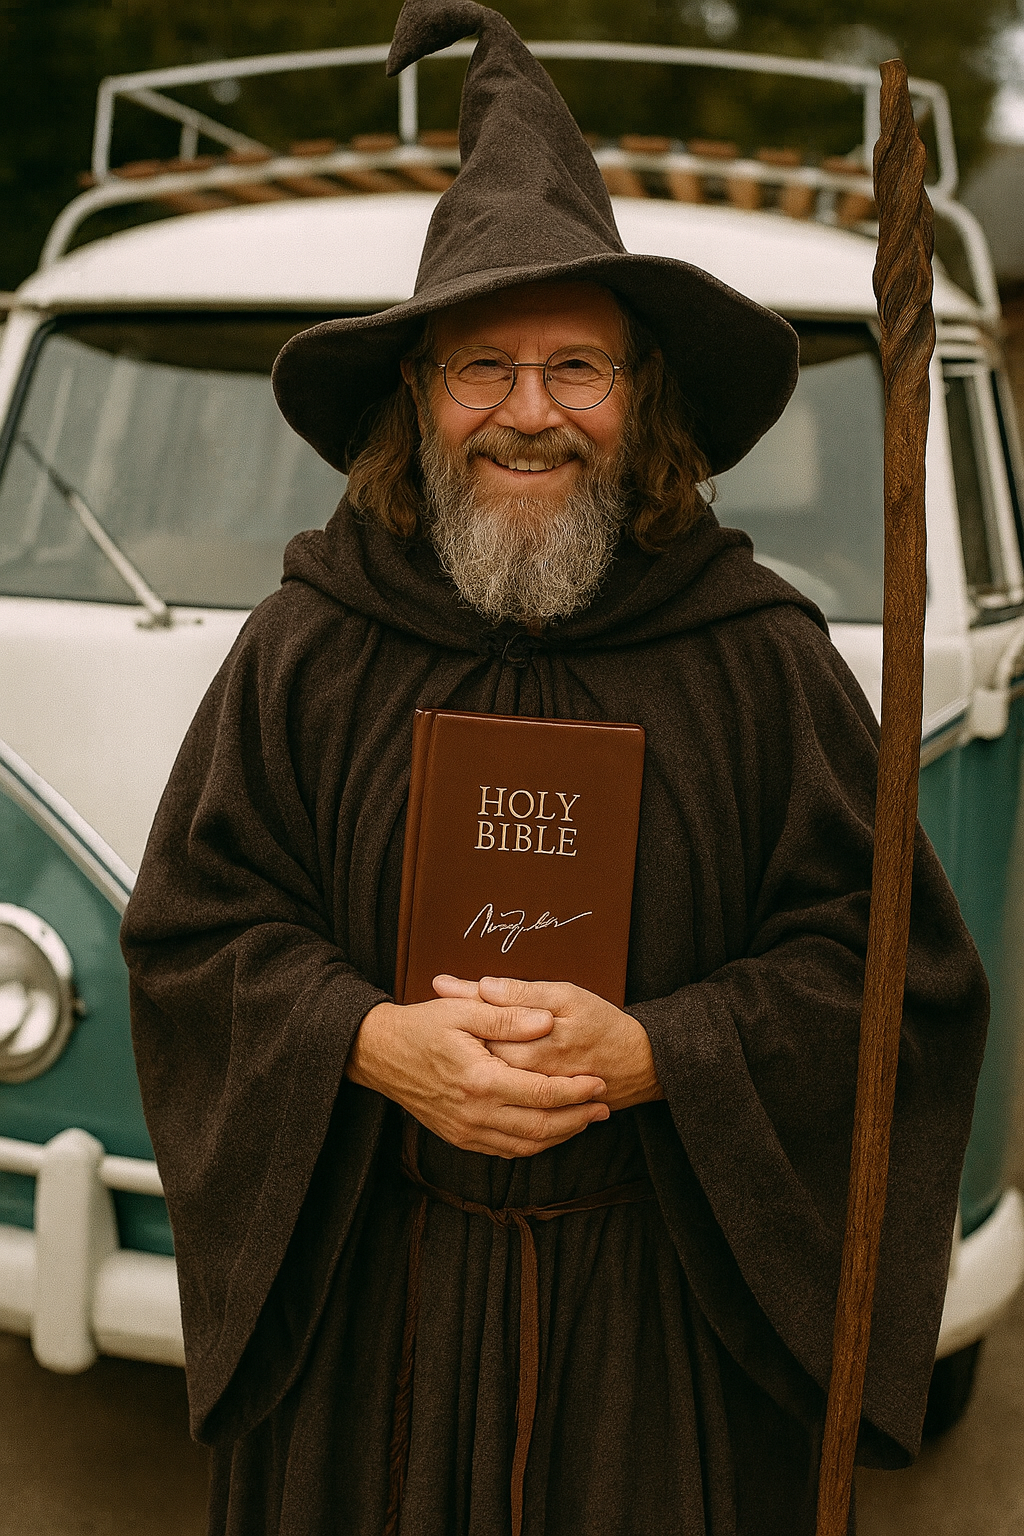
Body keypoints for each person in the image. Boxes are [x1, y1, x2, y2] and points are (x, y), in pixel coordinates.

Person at [120, 3, 989, 1534]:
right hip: (362, 1341)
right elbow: (195, 936)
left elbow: (897, 974)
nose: (532, 414)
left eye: (578, 364)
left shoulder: (756, 659)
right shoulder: (308, 648)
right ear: (418, 397)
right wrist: (361, 1041)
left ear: (642, 393)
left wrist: (668, 1049)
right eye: (484, 368)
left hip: (653, 1351)